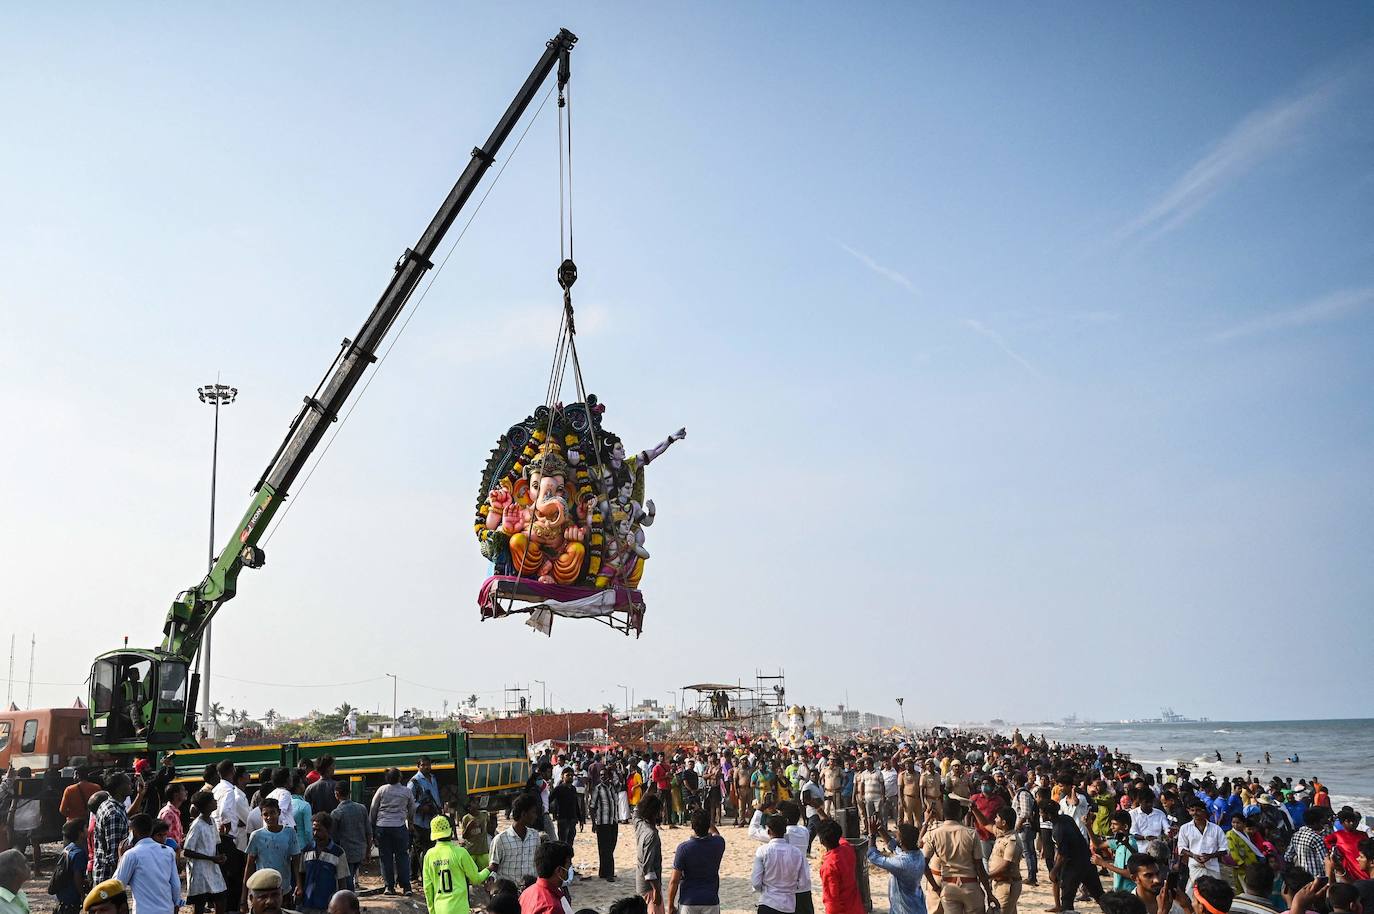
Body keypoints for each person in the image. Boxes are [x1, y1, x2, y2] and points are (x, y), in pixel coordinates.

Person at [924, 797, 996, 914]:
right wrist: (989, 892)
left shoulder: (934, 834)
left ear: (943, 812)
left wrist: (935, 887)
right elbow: (979, 867)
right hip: (970, 885)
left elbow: (924, 863)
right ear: (959, 813)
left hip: (949, 886)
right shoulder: (971, 834)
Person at [1041, 798, 1103, 913]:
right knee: (1100, 896)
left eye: (1042, 812)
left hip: (1073, 867)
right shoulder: (1067, 819)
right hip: (1087, 861)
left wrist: (1054, 871)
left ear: (1048, 814)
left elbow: (1063, 855)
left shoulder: (1058, 829)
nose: (1041, 815)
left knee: (1067, 902)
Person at [114, 813, 182, 914]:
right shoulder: (168, 852)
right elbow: (176, 885)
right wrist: (176, 903)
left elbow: (117, 884)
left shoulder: (131, 855)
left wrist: (121, 858)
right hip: (166, 909)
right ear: (151, 830)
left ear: (133, 832)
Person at [421, 814, 490, 914]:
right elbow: (476, 879)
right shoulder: (460, 853)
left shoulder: (429, 855)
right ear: (450, 832)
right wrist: (489, 869)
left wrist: (432, 911)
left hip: (439, 909)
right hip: (460, 909)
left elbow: (427, 888)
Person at [244, 797, 302, 906]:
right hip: (262, 889)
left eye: (273, 813)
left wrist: (299, 884)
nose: (269, 817)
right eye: (265, 814)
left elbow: (295, 861)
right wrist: (244, 896)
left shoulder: (290, 833)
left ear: (279, 812)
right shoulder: (256, 835)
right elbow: (250, 865)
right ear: (261, 816)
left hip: (283, 889)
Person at [867, 820, 934, 914]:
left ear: (902, 842)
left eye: (897, 836)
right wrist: (880, 829)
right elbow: (895, 846)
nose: (894, 837)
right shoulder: (918, 854)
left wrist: (872, 835)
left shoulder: (901, 863)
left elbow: (873, 856)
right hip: (918, 907)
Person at [667, 809, 725, 914]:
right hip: (710, 899)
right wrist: (706, 820)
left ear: (692, 827)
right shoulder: (718, 844)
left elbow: (674, 881)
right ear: (708, 825)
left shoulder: (684, 848)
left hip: (688, 900)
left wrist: (670, 905)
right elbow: (716, 833)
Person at [369, 767, 415, 896]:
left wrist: (372, 827)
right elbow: (412, 809)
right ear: (399, 778)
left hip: (382, 827)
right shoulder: (406, 791)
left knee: (385, 857)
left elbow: (373, 809)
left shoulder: (382, 790)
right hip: (399, 827)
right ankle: (406, 887)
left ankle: (389, 887)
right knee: (402, 856)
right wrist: (410, 822)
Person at [750, 814, 809, 914]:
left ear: (769, 831)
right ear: (785, 831)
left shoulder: (762, 851)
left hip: (768, 902)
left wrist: (765, 890)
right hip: (789, 905)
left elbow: (756, 882)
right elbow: (803, 882)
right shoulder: (796, 852)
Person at [183, 791, 228, 914]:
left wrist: (219, 857)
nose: (216, 801)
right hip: (200, 871)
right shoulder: (197, 825)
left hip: (212, 868)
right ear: (207, 805)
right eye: (213, 800)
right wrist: (210, 858)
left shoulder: (212, 821)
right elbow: (187, 851)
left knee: (221, 899)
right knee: (200, 905)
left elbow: (215, 843)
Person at [297, 814, 347, 914]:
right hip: (307, 904)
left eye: (319, 830)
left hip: (327, 906)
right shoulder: (307, 850)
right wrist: (300, 890)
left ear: (328, 830)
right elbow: (301, 873)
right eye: (313, 830)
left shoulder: (338, 853)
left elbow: (342, 882)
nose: (315, 833)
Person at [490, 795, 542, 886]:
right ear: (523, 814)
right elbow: (494, 867)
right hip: (509, 892)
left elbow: (537, 863)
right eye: (533, 812)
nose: (535, 816)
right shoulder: (500, 840)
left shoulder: (535, 836)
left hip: (530, 891)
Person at [327, 783, 370, 890]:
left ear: (336, 794)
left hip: (345, 853)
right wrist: (368, 850)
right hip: (360, 851)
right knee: (351, 875)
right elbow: (369, 832)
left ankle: (350, 901)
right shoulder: (362, 808)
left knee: (347, 879)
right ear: (349, 792)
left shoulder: (336, 813)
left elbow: (332, 836)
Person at [817, 818, 864, 914]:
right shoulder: (847, 849)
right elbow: (838, 837)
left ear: (822, 841)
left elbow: (832, 900)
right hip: (856, 907)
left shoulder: (829, 866)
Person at [1179, 799, 1227, 885]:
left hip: (1212, 867)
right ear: (1189, 811)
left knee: (1214, 892)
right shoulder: (1184, 828)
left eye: (1198, 810)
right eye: (1192, 810)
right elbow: (1181, 848)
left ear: (1204, 811)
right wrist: (1193, 855)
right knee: (1196, 892)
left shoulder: (1216, 829)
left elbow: (1225, 849)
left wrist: (1210, 856)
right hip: (1195, 866)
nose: (1195, 813)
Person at [93, 776, 132, 882]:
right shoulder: (114, 814)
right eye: (128, 784)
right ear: (119, 789)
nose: (131, 785)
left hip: (105, 874)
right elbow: (114, 855)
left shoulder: (108, 805)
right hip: (108, 877)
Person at [410, 757, 442, 881]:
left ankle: (416, 874)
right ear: (418, 766)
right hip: (420, 820)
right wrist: (420, 808)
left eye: (428, 765)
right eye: (423, 765)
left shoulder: (433, 778)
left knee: (428, 847)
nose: (426, 767)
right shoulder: (414, 781)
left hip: (432, 819)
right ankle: (419, 876)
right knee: (419, 848)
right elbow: (409, 800)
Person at [987, 807, 1024, 914]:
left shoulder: (1012, 840)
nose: (994, 820)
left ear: (1003, 822)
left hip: (1007, 885)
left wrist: (986, 876)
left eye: (997, 817)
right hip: (1000, 884)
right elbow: (985, 824)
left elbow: (1006, 866)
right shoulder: (1002, 832)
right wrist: (974, 809)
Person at [519, 842, 572, 914]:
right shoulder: (552, 907)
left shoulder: (526, 893)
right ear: (559, 870)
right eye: (568, 866)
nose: (568, 870)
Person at [51, 819, 91, 914]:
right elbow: (77, 877)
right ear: (80, 833)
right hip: (71, 898)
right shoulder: (79, 853)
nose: (88, 829)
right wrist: (82, 895)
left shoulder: (67, 849)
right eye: (85, 828)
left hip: (62, 896)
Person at [1092, 811, 1137, 893]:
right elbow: (1098, 845)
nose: (1111, 827)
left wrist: (1103, 864)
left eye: (1115, 824)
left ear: (1125, 826)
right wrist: (1088, 826)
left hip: (1128, 891)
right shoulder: (1119, 841)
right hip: (1120, 890)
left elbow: (1129, 873)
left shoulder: (1130, 844)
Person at [636, 796, 665, 914]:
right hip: (649, 888)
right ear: (655, 813)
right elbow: (648, 867)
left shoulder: (640, 825)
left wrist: (648, 791)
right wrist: (656, 891)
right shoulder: (651, 835)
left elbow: (636, 811)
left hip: (641, 884)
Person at [589, 769, 621, 881]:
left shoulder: (613, 788)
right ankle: (609, 874)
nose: (602, 777)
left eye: (604, 775)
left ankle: (603, 871)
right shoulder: (597, 789)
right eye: (601, 775)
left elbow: (619, 782)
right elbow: (592, 807)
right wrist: (594, 823)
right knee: (605, 848)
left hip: (613, 821)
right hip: (603, 823)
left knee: (610, 847)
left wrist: (614, 771)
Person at [549, 769, 584, 847]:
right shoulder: (558, 789)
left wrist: (580, 819)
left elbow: (576, 805)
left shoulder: (573, 789)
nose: (570, 777)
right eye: (567, 775)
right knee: (562, 844)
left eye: (571, 775)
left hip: (572, 819)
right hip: (562, 819)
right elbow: (549, 801)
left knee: (570, 844)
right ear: (562, 776)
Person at [0, 849, 31, 914]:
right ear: (15, 871)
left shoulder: (19, 894)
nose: (29, 865)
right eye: (24, 863)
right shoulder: (1, 904)